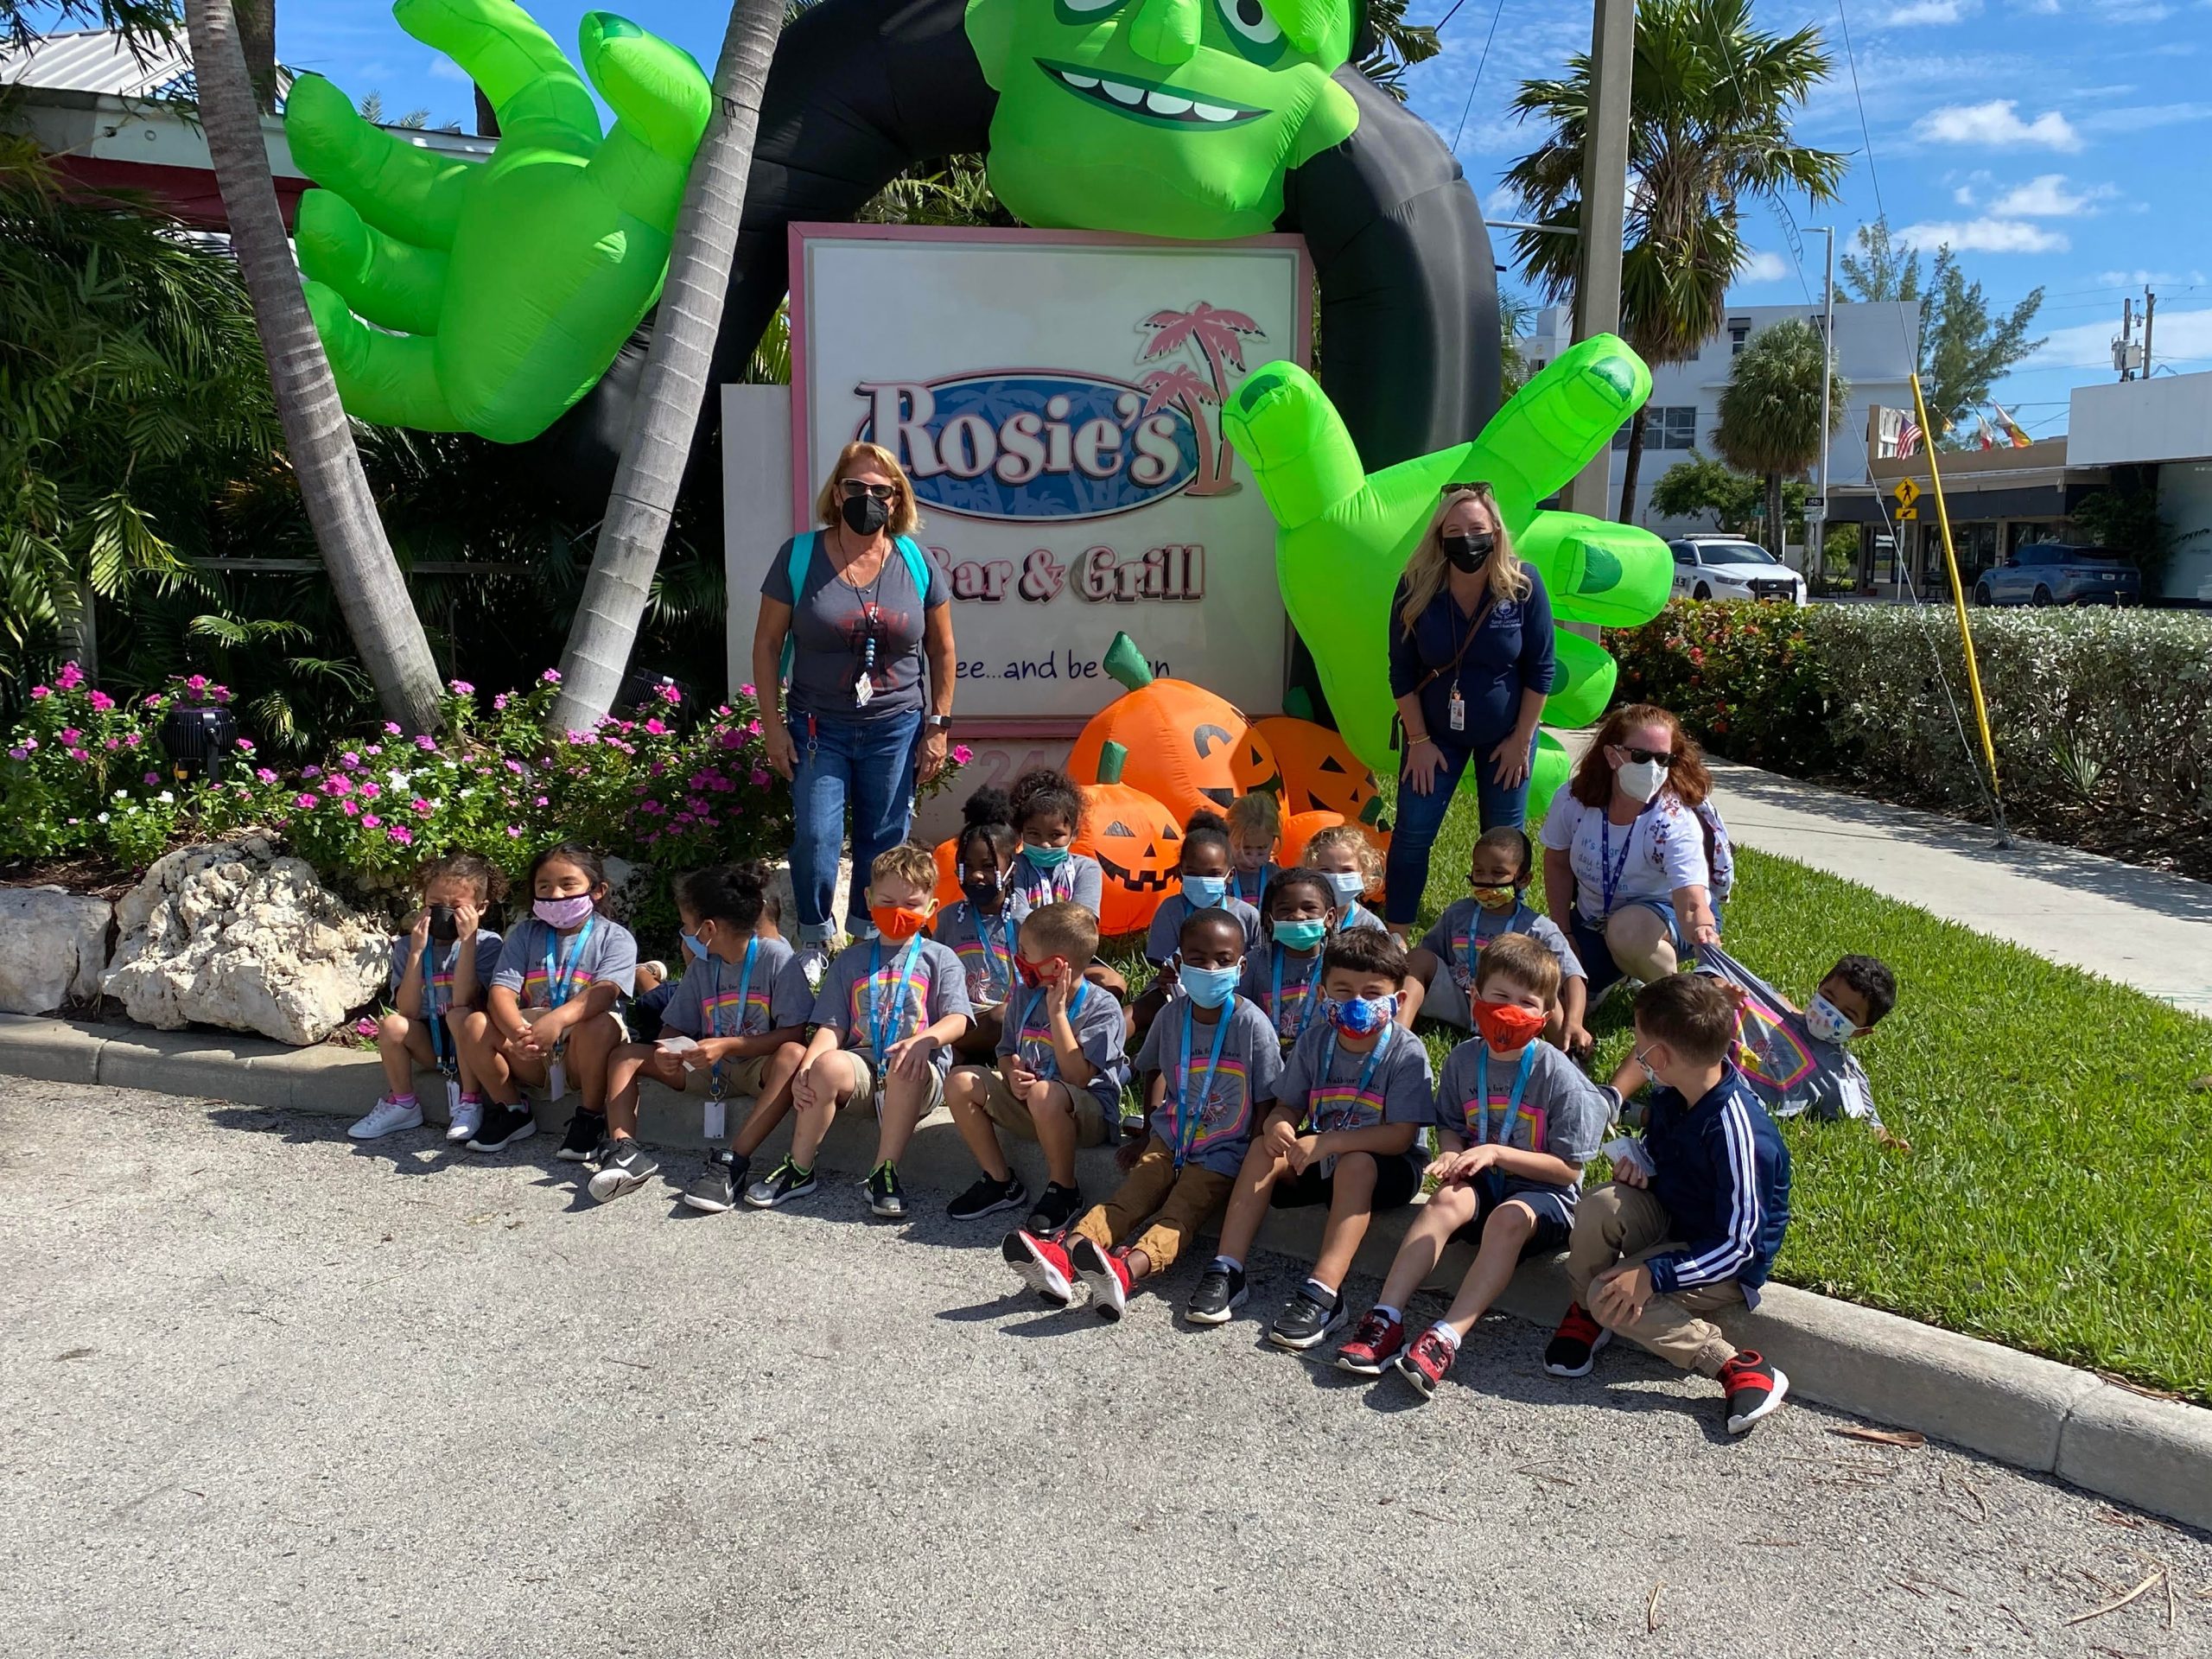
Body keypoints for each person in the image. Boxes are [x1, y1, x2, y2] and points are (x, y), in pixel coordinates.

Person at [1335, 934, 1610, 1396]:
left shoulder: (1560, 1076)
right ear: (1475, 997)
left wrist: (1497, 1152)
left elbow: (1568, 1170)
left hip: (1543, 1197)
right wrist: (1449, 1149)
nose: (1511, 1011)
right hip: (1482, 1179)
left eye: (1527, 1003)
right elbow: (1450, 1124)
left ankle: (1447, 1336)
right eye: (1500, 996)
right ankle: (1386, 1317)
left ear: (1545, 1017)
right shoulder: (1464, 1060)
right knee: (1444, 1201)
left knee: (1506, 1219)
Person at [1544, 974, 1793, 1436]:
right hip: (1673, 1221)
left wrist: (1651, 1275)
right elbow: (1669, 1155)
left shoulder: (1740, 1132)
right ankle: (1589, 1313)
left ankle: (1737, 1367)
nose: (1636, 1055)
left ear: (1660, 1057)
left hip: (1723, 1262)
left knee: (1608, 1292)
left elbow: (1739, 1246)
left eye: (1640, 1045)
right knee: (1600, 1205)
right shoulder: (1673, 1093)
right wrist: (1641, 1166)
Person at [1001, 907, 1281, 1317]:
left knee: (1179, 1214)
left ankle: (1125, 1270)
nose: (1211, 968)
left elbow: (1267, 1095)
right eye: (1198, 959)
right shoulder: (1171, 1016)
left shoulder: (1251, 1024)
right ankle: (1065, 1257)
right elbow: (1155, 1071)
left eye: (1223, 960)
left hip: (1223, 1151)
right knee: (1128, 1198)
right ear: (1180, 964)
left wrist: (1253, 1156)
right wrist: (1151, 1128)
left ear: (1240, 966)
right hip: (1169, 1139)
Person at [753, 440, 957, 984]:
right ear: (837, 492)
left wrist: (937, 726)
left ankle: (870, 934)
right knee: (817, 836)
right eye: (857, 487)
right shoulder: (799, 557)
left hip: (895, 726)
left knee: (883, 836)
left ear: (896, 500)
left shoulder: (916, 561)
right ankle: (817, 937)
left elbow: (942, 650)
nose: (867, 498)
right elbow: (768, 646)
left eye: (880, 490)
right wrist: (773, 729)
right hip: (818, 725)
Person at [1188, 929, 1433, 1349]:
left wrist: (1331, 1143)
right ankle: (1227, 1268)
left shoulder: (1407, 1053)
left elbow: (1400, 1137)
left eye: (1372, 993)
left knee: (1356, 1164)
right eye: (1344, 990)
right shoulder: (1315, 1040)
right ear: (1323, 994)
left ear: (1399, 1000)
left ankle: (1324, 1293)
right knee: (1264, 1150)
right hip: (1324, 1152)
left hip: (1387, 1165)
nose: (1357, 1003)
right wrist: (1279, 1124)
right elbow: (1289, 1107)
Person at [752, 842, 972, 1218]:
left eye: (911, 905)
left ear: (931, 909)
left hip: (918, 1074)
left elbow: (959, 1019)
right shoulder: (851, 961)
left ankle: (883, 1173)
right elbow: (832, 1028)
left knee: (905, 1060)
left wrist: (923, 1041)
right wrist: (809, 1066)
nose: (897, 913)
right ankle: (800, 1168)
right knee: (825, 1066)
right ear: (868, 899)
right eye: (886, 903)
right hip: (865, 1071)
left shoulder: (940, 958)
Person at [589, 864, 815, 1209]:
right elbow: (674, 1026)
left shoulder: (776, 958)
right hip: (707, 1066)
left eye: (688, 925)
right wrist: (666, 1049)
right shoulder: (702, 966)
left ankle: (732, 1163)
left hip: (757, 1067)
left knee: (794, 1055)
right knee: (626, 1055)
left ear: (709, 928)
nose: (685, 933)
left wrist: (728, 1045)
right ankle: (625, 1150)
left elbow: (795, 1031)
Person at [1384, 480, 1554, 937]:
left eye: (1476, 528)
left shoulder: (1523, 585)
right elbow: (1401, 673)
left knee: (1505, 841)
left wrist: (1522, 740)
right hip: (1432, 736)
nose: (1466, 538)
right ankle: (1395, 933)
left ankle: (1504, 937)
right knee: (1412, 834)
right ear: (1439, 537)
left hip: (1508, 737)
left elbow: (1541, 669)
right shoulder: (1415, 587)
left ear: (1496, 531)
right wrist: (1417, 741)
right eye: (1453, 529)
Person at [941, 901, 1128, 1234]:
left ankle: (1064, 1190)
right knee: (960, 1081)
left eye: (1026, 954)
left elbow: (1079, 1077)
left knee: (1045, 1093)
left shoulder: (1102, 1008)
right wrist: (1010, 1073)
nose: (1019, 961)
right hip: (1032, 1103)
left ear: (1057, 966)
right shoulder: (1025, 995)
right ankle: (1001, 1182)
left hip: (1087, 1116)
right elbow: (1005, 1051)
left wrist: (1057, 1014)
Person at [454, 844, 638, 1155]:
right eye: (544, 886)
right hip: (531, 1049)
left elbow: (606, 991)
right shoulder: (525, 935)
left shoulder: (615, 938)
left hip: (584, 1055)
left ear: (597, 890)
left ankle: (590, 1118)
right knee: (474, 1024)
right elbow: (501, 991)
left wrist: (559, 1019)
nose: (556, 895)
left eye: (568, 885)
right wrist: (516, 1032)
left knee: (602, 1025)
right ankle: (512, 1110)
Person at [1612, 944, 1901, 1143]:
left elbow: (1866, 1118)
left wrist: (1885, 1139)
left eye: (1846, 1015)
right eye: (1828, 997)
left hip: (1727, 1106)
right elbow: (1716, 976)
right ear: (1817, 989)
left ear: (1861, 1032)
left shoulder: (1841, 1073)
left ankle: (1647, 1116)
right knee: (1674, 1028)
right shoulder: (1774, 1004)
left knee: (1718, 1128)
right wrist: (1719, 988)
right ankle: (1612, 1097)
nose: (1828, 1012)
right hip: (1693, 1064)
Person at [1540, 702, 1726, 999]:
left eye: (1663, 759)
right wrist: (1564, 933)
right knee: (1547, 983)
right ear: (1612, 756)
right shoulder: (1574, 800)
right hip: (1594, 918)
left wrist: (1704, 930)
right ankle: (1623, 970)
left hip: (1665, 914)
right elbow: (1557, 863)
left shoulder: (1673, 820)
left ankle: (1682, 1000)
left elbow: (1690, 902)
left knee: (1626, 932)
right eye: (1640, 756)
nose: (1653, 768)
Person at [351, 852, 505, 1143]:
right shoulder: (408, 947)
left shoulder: (488, 944)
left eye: (456, 907)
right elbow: (407, 1010)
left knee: (461, 1015)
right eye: (435, 906)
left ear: (480, 907)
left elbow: (463, 999)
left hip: (471, 1047)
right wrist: (417, 952)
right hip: (432, 1044)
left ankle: (470, 1102)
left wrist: (468, 941)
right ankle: (403, 1104)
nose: (444, 914)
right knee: (392, 1024)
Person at [1403, 827, 1590, 1058]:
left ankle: (1570, 1053)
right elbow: (1426, 958)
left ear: (1523, 879)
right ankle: (1396, 1037)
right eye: (1479, 871)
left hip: (1512, 1008)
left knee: (1548, 994)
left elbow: (1573, 976)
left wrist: (1575, 1021)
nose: (1486, 881)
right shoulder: (1457, 914)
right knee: (1417, 958)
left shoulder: (1538, 928)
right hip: (1462, 1000)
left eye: (1498, 873)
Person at [1128, 810, 1264, 1046]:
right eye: (1193, 874)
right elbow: (1163, 963)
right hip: (1175, 992)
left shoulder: (1247, 915)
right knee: (1144, 1009)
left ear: (1230, 875)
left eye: (1213, 874)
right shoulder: (1171, 909)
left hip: (1232, 992)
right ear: (1180, 874)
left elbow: (1257, 964)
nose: (1202, 880)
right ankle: (1098, 1049)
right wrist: (1167, 977)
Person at [936, 787, 1020, 1061]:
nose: (977, 876)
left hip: (1010, 1020)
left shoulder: (1027, 920)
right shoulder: (950, 917)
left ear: (1011, 869)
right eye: (967, 866)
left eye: (988, 865)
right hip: (959, 1019)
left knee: (1005, 1016)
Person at [1239, 867, 1335, 1051]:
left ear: (1329, 918)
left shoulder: (1339, 964)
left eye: (1309, 908)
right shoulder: (1256, 962)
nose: (1298, 916)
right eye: (1285, 909)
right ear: (1269, 920)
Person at [1303, 823, 1389, 937]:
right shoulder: (1301, 919)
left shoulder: (1372, 927)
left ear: (1364, 873)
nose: (1337, 878)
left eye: (1347, 870)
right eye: (1326, 870)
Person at [1225, 791, 1281, 909]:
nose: (1253, 859)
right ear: (1228, 837)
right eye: (1246, 850)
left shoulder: (1278, 878)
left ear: (1273, 840)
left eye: (1262, 850)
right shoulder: (1219, 876)